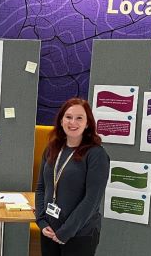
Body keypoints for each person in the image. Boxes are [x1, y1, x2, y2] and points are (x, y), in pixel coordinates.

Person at [35, 97, 110, 256]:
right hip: (50, 230)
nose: (72, 122)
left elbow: (92, 199)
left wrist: (65, 232)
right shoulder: (52, 149)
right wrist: (41, 221)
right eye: (68, 117)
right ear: (61, 120)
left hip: (79, 234)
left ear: (88, 123)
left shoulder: (96, 154)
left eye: (79, 118)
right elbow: (41, 187)